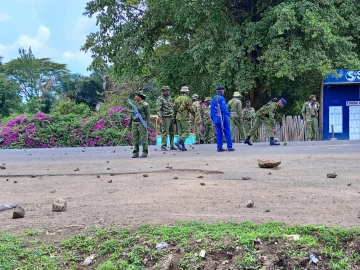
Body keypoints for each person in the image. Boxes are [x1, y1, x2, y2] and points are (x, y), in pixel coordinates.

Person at [210, 86, 235, 152]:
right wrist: (230, 115)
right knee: (227, 131)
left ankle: (219, 147)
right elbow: (224, 109)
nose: (224, 92)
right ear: (221, 91)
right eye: (223, 91)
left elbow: (211, 111)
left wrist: (213, 119)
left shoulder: (213, 99)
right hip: (222, 118)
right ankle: (229, 147)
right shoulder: (221, 98)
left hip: (215, 118)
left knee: (219, 133)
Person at [127, 91, 150, 158]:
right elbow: (132, 115)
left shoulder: (145, 104)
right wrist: (129, 124)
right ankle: (135, 152)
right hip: (134, 123)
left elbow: (148, 115)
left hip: (142, 123)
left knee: (144, 138)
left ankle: (145, 152)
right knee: (135, 138)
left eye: (136, 95)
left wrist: (147, 125)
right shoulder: (134, 104)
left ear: (139, 96)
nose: (135, 97)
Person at [173, 86, 194, 151]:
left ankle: (183, 146)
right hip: (184, 117)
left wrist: (174, 117)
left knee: (181, 132)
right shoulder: (187, 99)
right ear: (187, 92)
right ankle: (178, 142)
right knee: (187, 132)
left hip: (177, 117)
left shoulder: (177, 99)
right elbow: (190, 108)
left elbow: (174, 108)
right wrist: (194, 114)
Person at [156, 86, 176, 151]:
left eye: (168, 90)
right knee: (165, 131)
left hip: (171, 116)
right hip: (165, 117)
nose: (168, 91)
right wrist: (160, 118)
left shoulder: (170, 98)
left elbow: (171, 107)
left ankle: (172, 145)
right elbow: (158, 109)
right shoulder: (160, 99)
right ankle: (163, 146)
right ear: (163, 91)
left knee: (172, 131)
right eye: (166, 90)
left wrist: (174, 115)